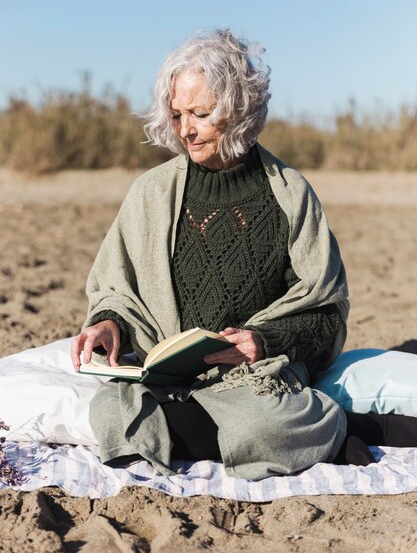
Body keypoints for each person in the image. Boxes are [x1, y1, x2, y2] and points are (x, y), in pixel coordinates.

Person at [70, 29, 414, 478]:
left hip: (254, 380)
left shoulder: (291, 195)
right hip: (166, 382)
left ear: (238, 109)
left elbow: (325, 311)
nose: (185, 130)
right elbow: (117, 290)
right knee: (112, 415)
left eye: (200, 113)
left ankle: (338, 426)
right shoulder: (150, 193)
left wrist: (264, 341)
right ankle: (321, 433)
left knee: (262, 426)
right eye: (176, 115)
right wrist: (108, 324)